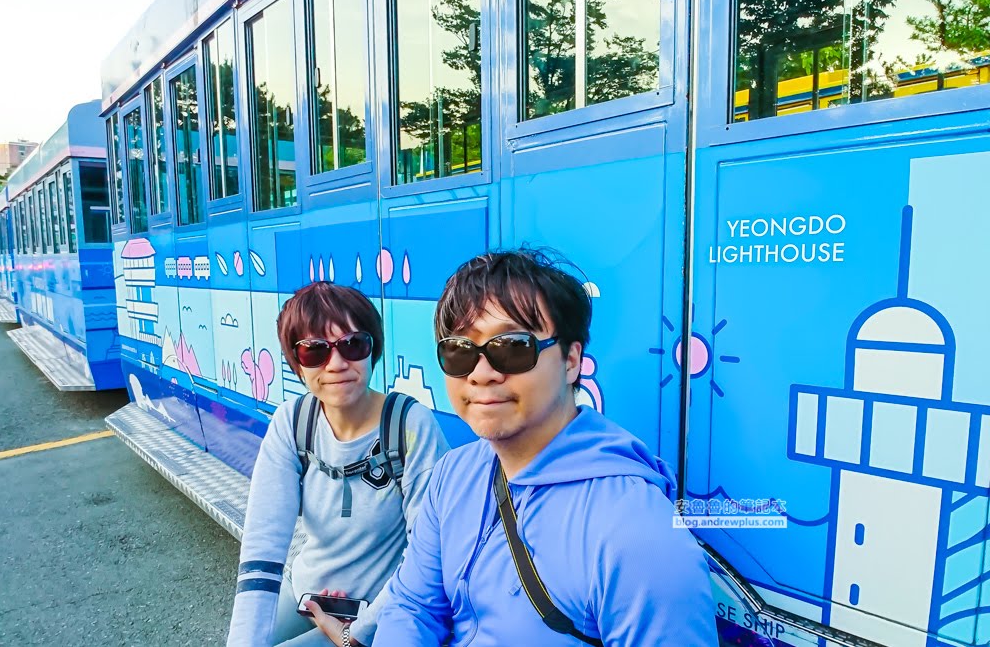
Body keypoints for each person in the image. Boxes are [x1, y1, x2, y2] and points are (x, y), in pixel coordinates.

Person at [373, 248, 718, 646]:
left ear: (571, 361)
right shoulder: (453, 475)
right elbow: (413, 605)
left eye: (512, 347)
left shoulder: (638, 538)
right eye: (460, 350)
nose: (481, 374)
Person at [227, 282, 449, 647]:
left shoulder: (409, 425)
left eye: (353, 345)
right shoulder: (293, 422)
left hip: (381, 607)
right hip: (308, 593)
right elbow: (263, 546)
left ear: (372, 349)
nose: (337, 364)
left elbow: (428, 557)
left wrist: (353, 635)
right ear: (296, 361)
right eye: (314, 351)